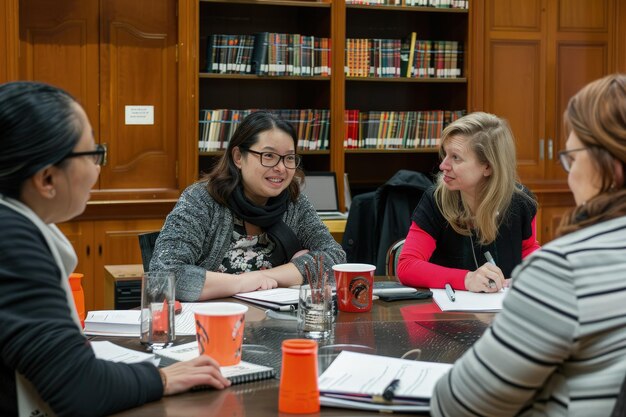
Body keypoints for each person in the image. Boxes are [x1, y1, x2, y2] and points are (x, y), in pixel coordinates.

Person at [0, 81, 230, 417]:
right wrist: (162, 378)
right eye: (92, 154)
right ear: (47, 179)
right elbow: (78, 388)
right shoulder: (12, 241)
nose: (97, 167)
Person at [431, 74, 626, 416]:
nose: (569, 174)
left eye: (572, 158)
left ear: (608, 165)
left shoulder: (564, 270)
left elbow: (459, 402)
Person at [150, 111, 345, 301]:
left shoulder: (294, 203)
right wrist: (243, 283)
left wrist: (271, 276)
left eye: (289, 158)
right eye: (268, 155)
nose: (281, 168)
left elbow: (335, 258)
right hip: (212, 322)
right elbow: (165, 274)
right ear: (238, 157)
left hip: (276, 324)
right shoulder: (202, 200)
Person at [397, 112, 540, 292]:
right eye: (445, 155)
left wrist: (535, 271)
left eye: (455, 157)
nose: (443, 166)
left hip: (506, 310)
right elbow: (406, 266)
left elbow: (528, 249)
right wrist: (467, 279)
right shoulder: (436, 200)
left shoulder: (521, 202)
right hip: (447, 314)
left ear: (487, 167)